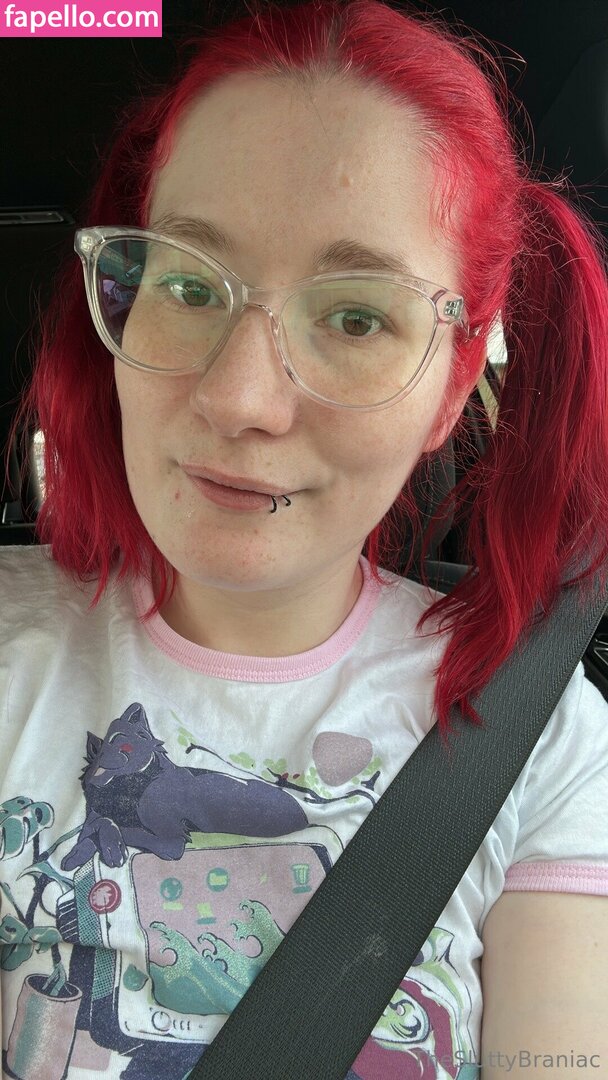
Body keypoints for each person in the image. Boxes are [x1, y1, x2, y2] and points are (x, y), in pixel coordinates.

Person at [1, 0, 608, 1076]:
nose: (240, 398)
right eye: (189, 285)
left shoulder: (542, 734)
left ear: (450, 388)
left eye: (356, 316)